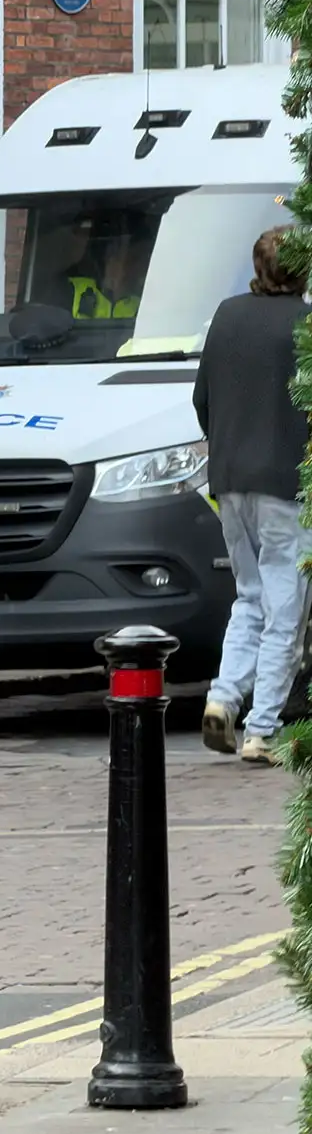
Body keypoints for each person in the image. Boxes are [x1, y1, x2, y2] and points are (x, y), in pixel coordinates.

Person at [195, 226, 311, 765]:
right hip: (286, 480)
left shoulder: (226, 315)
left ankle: (223, 697)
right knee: (286, 605)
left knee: (250, 595)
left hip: (229, 476)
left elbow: (202, 399)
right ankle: (261, 728)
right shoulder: (305, 323)